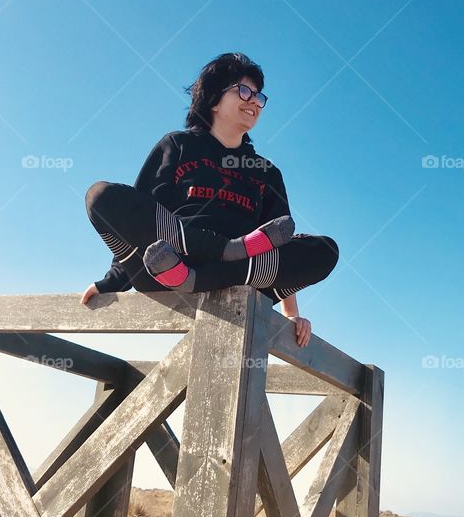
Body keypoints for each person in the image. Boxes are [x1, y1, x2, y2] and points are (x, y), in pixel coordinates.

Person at [80, 52, 339, 348]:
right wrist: (113, 281)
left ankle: (209, 269)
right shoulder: (177, 146)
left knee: (326, 250)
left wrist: (291, 314)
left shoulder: (267, 173)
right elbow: (139, 217)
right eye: (244, 91)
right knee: (100, 196)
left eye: (260, 97)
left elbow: (277, 238)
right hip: (166, 266)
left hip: (238, 276)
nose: (255, 101)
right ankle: (225, 251)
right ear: (214, 99)